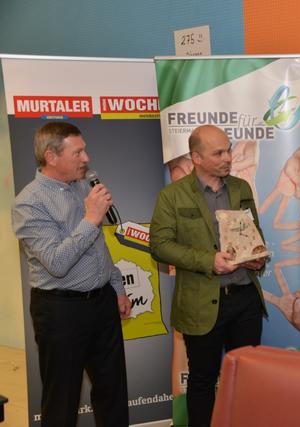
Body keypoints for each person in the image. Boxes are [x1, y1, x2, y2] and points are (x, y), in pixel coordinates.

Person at [12, 122, 131, 427]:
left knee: (113, 392)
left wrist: (116, 286)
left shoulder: (81, 186)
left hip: (102, 302)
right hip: (61, 311)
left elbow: (99, 246)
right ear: (51, 156)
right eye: (77, 152)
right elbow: (56, 262)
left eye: (84, 150)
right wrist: (91, 218)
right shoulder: (29, 203)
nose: (86, 158)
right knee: (62, 400)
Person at [150, 124, 267, 427]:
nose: (228, 157)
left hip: (245, 299)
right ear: (196, 157)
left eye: (228, 150)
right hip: (200, 304)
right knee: (202, 381)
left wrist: (257, 258)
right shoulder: (172, 195)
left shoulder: (241, 188)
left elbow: (254, 234)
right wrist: (208, 261)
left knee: (247, 379)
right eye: (219, 153)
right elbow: (159, 246)